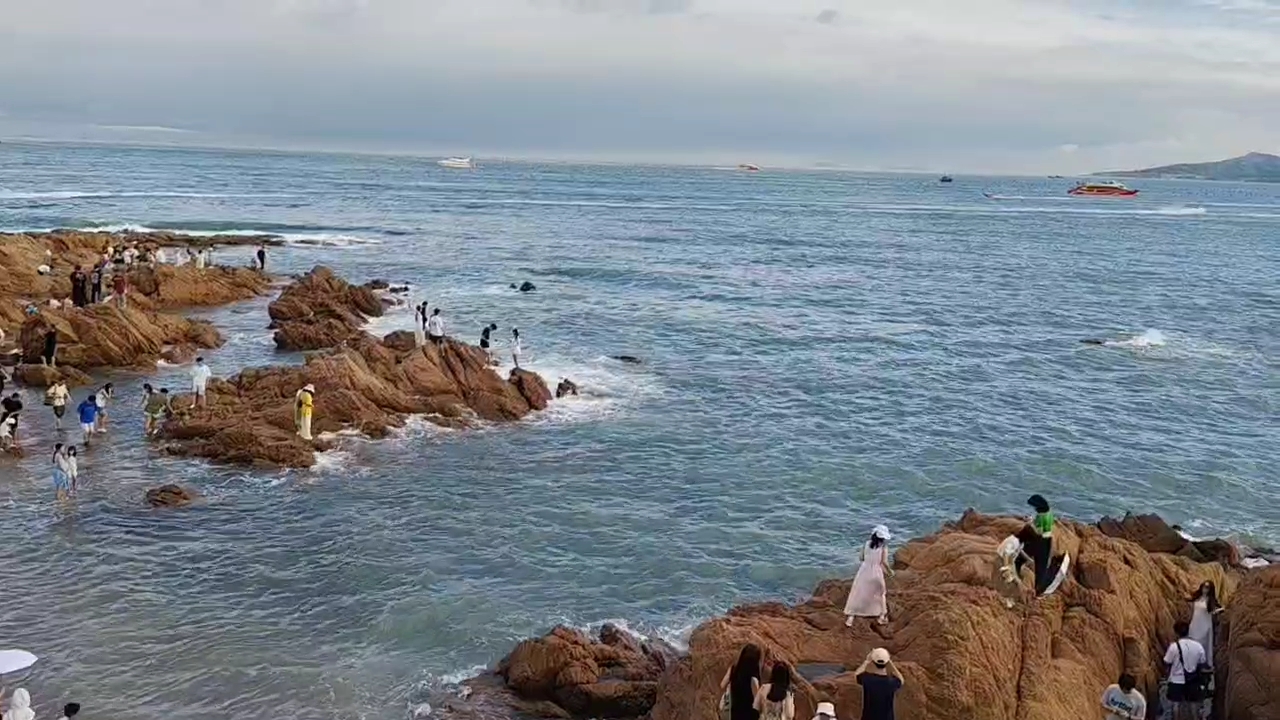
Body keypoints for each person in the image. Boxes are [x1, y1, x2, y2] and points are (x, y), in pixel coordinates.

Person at [844, 525, 894, 626]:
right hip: (876, 571)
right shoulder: (883, 547)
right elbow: (884, 562)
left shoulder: (866, 544)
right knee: (880, 593)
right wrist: (890, 572)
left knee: (858, 592)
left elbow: (861, 558)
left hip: (864, 570)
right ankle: (881, 616)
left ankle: (850, 618)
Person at [1188, 581, 1223, 718]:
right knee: (1193, 645)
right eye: (1204, 586)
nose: (1205, 589)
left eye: (1207, 587)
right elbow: (1190, 600)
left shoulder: (1211, 601)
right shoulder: (1197, 598)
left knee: (1203, 647)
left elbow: (1216, 610)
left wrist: (1220, 610)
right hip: (1195, 625)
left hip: (1205, 627)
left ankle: (1203, 668)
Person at [1165, 620, 1207, 720]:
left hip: (1176, 680)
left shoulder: (1173, 647)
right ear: (1188, 631)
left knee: (1176, 705)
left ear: (1176, 633)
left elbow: (1167, 662)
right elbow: (1202, 662)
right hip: (1193, 680)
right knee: (1194, 705)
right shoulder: (1198, 646)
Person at [1016, 494, 1055, 595]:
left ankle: (1016, 579)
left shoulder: (1041, 517)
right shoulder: (1049, 512)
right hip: (1048, 541)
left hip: (1039, 541)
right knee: (1041, 567)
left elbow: (1039, 532)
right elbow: (1048, 527)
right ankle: (1039, 590)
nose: (1034, 508)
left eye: (1034, 506)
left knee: (1019, 560)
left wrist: (1029, 523)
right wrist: (1033, 520)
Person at [855, 648, 904, 720]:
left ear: (873, 662)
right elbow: (901, 680)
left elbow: (856, 675)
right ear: (886, 662)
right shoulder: (890, 682)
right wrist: (890, 662)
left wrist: (867, 661)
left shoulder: (867, 679)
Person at [717, 644, 762, 720]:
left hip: (734, 713)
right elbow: (757, 702)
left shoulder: (733, 669)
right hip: (748, 716)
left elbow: (722, 685)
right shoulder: (753, 679)